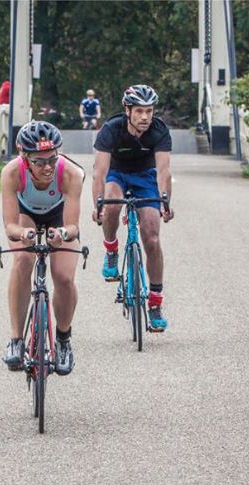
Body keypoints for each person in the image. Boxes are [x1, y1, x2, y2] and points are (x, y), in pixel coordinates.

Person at [0, 121, 85, 375]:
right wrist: (24, 234)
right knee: (23, 261)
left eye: (52, 158)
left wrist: (61, 234)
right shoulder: (11, 173)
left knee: (63, 276)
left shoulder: (71, 173)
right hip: (25, 216)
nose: (48, 167)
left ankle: (63, 340)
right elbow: (10, 226)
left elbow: (73, 226)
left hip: (58, 217)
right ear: (24, 157)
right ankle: (16, 339)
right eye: (39, 161)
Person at [91, 84, 174, 332]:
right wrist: (97, 203)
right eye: (139, 111)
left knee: (152, 237)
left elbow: (163, 170)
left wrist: (166, 201)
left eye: (149, 111)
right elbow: (100, 172)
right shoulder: (111, 129)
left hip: (145, 177)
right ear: (128, 110)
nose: (145, 117)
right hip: (117, 174)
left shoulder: (159, 131)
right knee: (112, 203)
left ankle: (156, 302)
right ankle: (111, 249)